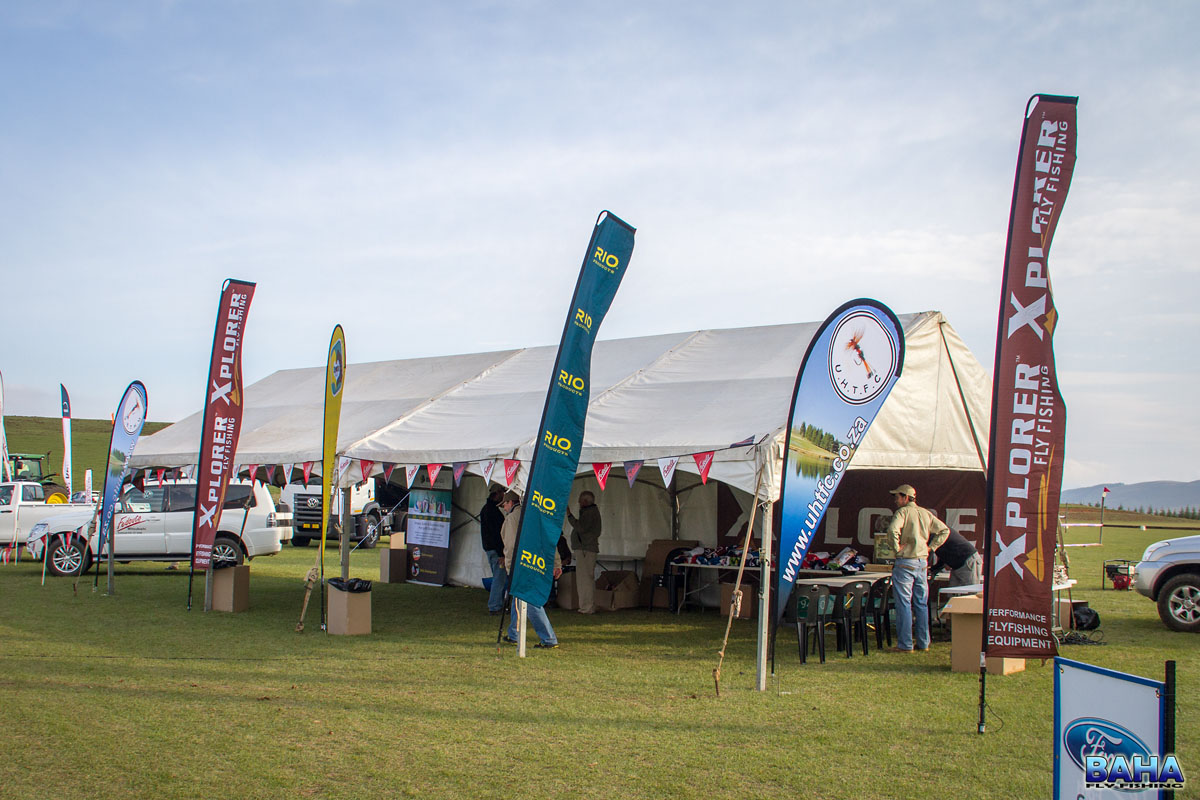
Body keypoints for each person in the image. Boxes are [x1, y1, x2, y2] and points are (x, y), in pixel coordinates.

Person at [885, 483, 949, 652]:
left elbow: (892, 530)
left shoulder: (902, 512)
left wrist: (896, 548)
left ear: (906, 497)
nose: (895, 500)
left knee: (904, 603)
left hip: (906, 561)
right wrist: (931, 547)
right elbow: (944, 530)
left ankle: (905, 644)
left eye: (897, 497)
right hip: (922, 562)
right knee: (921, 603)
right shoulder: (925, 513)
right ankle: (923, 642)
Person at [500, 491, 560, 649]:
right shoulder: (536, 515)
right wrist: (556, 563)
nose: (504, 508)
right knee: (518, 598)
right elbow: (549, 540)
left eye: (505, 505)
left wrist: (510, 568)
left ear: (511, 503)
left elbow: (511, 545)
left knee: (530, 601)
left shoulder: (512, 519)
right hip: (538, 562)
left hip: (522, 565)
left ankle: (548, 638)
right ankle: (514, 633)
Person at [566, 490, 601, 614]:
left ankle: (587, 607)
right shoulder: (590, 512)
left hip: (585, 549)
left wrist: (569, 515)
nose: (579, 503)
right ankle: (587, 606)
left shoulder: (589, 513)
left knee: (584, 579)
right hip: (586, 548)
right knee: (586, 579)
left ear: (585, 502)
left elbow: (581, 528)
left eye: (580, 500)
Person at [479, 486, 507, 614]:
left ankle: (497, 604)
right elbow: (496, 535)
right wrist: (501, 553)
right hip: (496, 550)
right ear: (498, 494)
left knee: (498, 577)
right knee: (499, 578)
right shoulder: (493, 511)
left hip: (490, 549)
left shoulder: (486, 509)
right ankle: (495, 606)